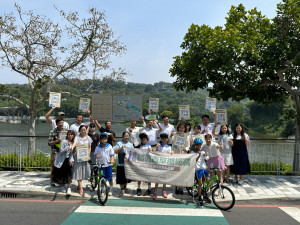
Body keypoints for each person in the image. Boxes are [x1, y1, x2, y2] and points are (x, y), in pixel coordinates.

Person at [69, 125, 92, 196]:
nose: (83, 131)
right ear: (79, 131)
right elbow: (75, 143)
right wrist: (72, 147)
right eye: (81, 130)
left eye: (84, 130)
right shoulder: (77, 137)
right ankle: (81, 188)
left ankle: (79, 185)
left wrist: (88, 154)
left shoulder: (88, 138)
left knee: (83, 172)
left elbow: (89, 147)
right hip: (78, 157)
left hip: (85, 157)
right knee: (78, 172)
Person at [152, 133, 174, 200]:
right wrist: (157, 148)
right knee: (157, 178)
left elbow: (170, 155)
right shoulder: (159, 145)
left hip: (166, 164)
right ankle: (155, 192)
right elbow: (156, 154)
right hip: (159, 164)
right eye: (163, 138)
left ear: (167, 139)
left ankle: (163, 190)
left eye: (165, 138)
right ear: (161, 139)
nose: (164, 139)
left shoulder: (169, 147)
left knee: (164, 178)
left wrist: (172, 153)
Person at [53, 130, 75, 195]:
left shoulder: (73, 143)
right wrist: (67, 147)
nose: (71, 136)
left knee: (69, 174)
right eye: (69, 134)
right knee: (62, 174)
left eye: (72, 134)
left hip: (68, 160)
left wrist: (71, 160)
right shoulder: (64, 142)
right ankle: (62, 186)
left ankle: (69, 187)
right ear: (67, 135)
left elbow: (71, 154)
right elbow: (60, 151)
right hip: (62, 160)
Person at [48, 119, 68, 186]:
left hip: (64, 151)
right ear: (56, 124)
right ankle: (52, 180)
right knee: (55, 166)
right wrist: (57, 141)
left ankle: (61, 180)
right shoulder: (52, 131)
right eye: (60, 123)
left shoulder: (66, 131)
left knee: (63, 166)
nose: (61, 124)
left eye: (62, 123)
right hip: (55, 151)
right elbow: (49, 143)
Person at [114, 131, 134, 197]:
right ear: (122, 137)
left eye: (127, 136)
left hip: (127, 164)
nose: (126, 137)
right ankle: (122, 189)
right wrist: (121, 148)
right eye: (125, 136)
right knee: (121, 177)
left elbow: (133, 153)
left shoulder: (131, 144)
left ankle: (125, 188)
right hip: (120, 164)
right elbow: (115, 151)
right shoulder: (119, 143)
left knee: (126, 178)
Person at [194, 138, 210, 206]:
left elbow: (206, 159)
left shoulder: (202, 152)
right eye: (197, 145)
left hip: (204, 168)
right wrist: (199, 155)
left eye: (200, 145)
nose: (199, 146)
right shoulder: (193, 152)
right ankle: (200, 197)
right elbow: (194, 161)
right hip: (198, 169)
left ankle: (205, 194)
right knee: (200, 183)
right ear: (195, 145)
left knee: (208, 181)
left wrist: (206, 155)